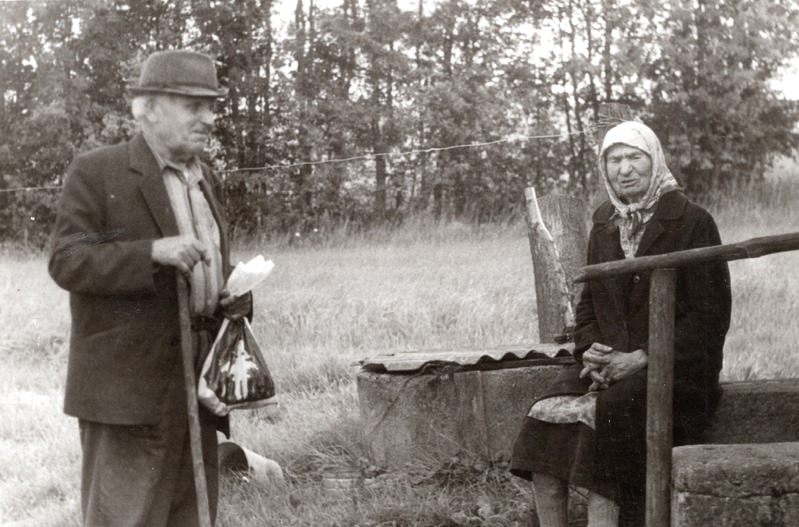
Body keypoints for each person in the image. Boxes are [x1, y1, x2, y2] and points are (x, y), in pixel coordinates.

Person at [49, 50, 251, 527]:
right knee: (127, 518)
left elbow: (212, 268)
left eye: (213, 106)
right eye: (194, 105)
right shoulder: (99, 172)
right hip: (128, 392)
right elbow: (67, 261)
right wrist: (151, 253)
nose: (209, 118)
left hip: (199, 385)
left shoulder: (205, 181)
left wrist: (234, 295)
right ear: (149, 107)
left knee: (191, 515)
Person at [509, 121, 732, 527]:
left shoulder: (693, 222)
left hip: (678, 373)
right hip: (610, 369)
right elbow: (589, 304)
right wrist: (590, 349)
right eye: (614, 159)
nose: (624, 169)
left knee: (609, 417)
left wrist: (644, 356)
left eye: (635, 157)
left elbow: (710, 317)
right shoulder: (605, 224)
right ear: (603, 167)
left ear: (654, 161)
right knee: (543, 412)